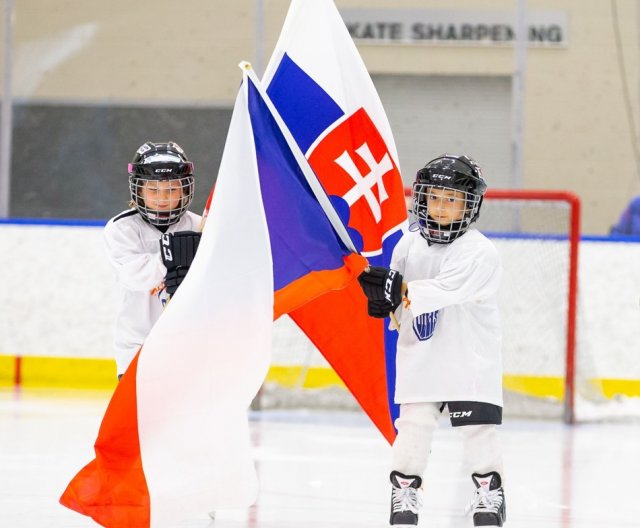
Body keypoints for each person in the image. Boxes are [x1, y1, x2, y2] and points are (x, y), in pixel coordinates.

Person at [358, 154, 506, 527]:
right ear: (421, 198)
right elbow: (399, 308)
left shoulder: (479, 252)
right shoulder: (407, 246)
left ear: (469, 207)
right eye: (434, 197)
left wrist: (399, 288)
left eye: (452, 200)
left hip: (468, 357)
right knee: (413, 429)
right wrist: (383, 301)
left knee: (478, 433)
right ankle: (405, 491)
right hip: (421, 355)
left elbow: (444, 291)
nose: (440, 207)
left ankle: (489, 493)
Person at [104, 141, 202, 379]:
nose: (163, 198)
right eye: (153, 190)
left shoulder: (199, 226)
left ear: (184, 190)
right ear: (138, 190)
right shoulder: (122, 228)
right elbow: (134, 276)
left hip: (190, 348)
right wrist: (174, 256)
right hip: (137, 348)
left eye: (171, 189)